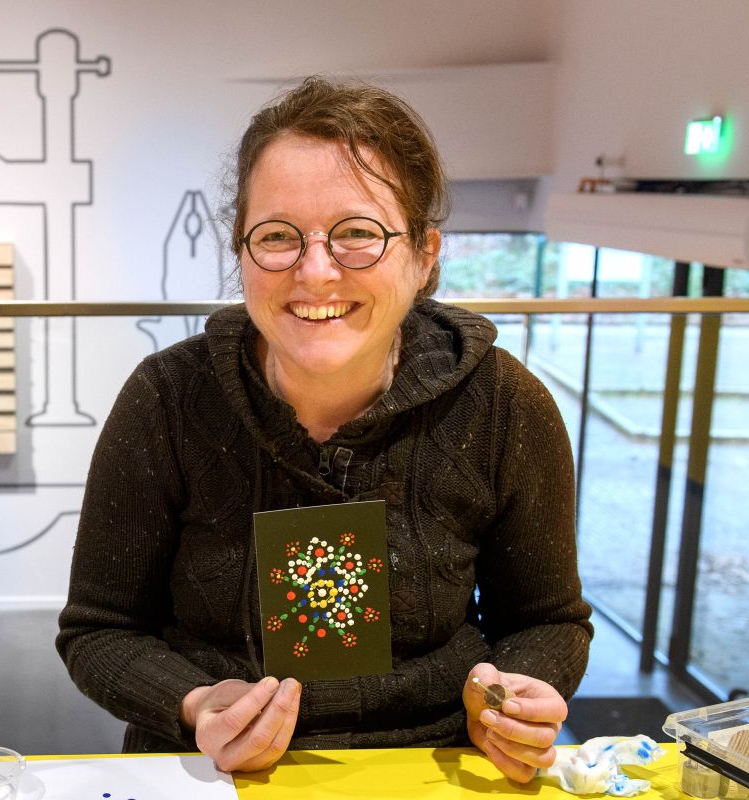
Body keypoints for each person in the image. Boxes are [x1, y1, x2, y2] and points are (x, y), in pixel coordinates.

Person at [56, 78, 592, 782]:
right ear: (241, 253)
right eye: (277, 237)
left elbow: (548, 618)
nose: (315, 272)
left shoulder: (502, 404)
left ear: (425, 254)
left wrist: (515, 693)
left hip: (432, 763)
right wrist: (195, 703)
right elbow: (98, 629)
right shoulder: (167, 400)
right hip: (211, 771)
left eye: (357, 235)